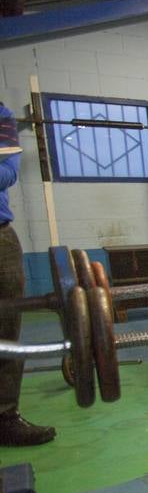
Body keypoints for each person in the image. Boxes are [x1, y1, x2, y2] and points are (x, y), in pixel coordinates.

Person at [0, 103, 56, 447]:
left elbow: (7, 172)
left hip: (0, 234)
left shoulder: (2, 116)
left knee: (7, 329)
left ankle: (5, 416)